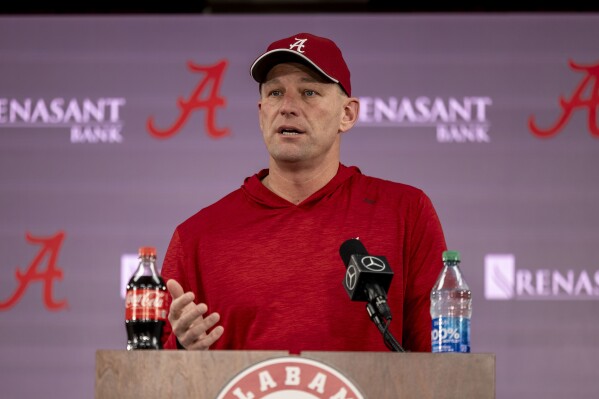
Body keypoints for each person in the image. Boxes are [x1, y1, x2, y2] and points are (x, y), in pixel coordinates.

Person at [160, 32, 447, 353]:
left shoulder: (405, 212)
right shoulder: (198, 236)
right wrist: (182, 350)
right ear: (260, 112)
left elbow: (438, 361)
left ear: (347, 114)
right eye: (275, 93)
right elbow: (153, 376)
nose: (287, 107)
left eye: (309, 92)